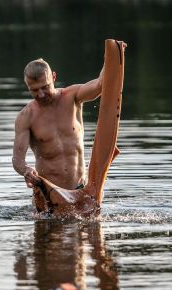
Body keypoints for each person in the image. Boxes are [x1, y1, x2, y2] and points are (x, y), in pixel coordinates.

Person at [12, 40, 126, 217]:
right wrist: (26, 171)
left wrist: (111, 58)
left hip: (83, 191)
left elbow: (100, 86)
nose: (40, 94)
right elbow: (17, 159)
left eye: (45, 87)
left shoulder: (71, 97)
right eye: (34, 90)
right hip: (50, 196)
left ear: (54, 78)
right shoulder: (26, 117)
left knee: (84, 240)